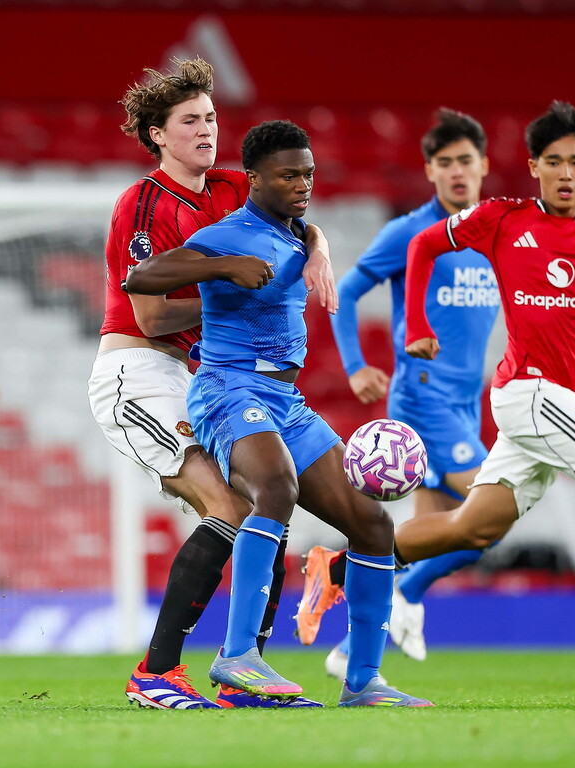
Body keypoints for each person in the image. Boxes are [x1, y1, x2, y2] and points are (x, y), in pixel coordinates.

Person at [305, 101, 575, 677]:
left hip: (555, 399)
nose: (564, 173)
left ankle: (333, 568)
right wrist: (422, 325)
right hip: (528, 393)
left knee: (471, 528)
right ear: (533, 166)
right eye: (552, 162)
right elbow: (424, 245)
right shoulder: (503, 218)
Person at [124, 120, 432, 707]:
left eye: (308, 174)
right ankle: (237, 656)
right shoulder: (226, 234)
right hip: (228, 391)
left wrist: (316, 245)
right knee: (276, 487)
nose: (302, 184)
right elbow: (143, 276)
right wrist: (220, 267)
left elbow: (304, 229)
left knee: (374, 524)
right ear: (255, 179)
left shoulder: (296, 234)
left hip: (286, 402)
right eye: (289, 175)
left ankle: (362, 679)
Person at [87, 58, 333, 709]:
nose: (206, 130)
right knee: (233, 507)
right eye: (190, 121)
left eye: (212, 118)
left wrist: (319, 246)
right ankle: (156, 674)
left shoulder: (231, 188)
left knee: (266, 505)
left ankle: (247, 672)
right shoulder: (142, 205)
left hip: (197, 377)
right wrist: (229, 290)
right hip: (135, 373)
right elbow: (150, 314)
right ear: (158, 135)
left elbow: (297, 222)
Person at [312, 108, 501, 675]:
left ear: (484, 165)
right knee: (497, 505)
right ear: (430, 171)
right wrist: (355, 366)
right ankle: (369, 582)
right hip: (423, 399)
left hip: (467, 403)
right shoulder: (409, 232)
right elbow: (346, 288)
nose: (457, 172)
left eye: (466, 160)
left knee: (456, 536)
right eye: (445, 164)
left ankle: (351, 651)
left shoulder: (493, 232)